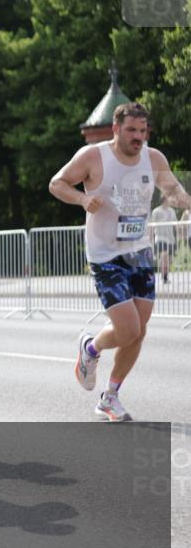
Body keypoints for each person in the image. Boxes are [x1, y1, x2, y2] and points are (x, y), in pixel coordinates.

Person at [49, 102, 191, 421]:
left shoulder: (153, 158)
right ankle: (91, 349)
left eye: (143, 131)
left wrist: (186, 202)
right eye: (131, 130)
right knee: (128, 329)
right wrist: (83, 198)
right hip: (104, 254)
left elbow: (173, 190)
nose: (138, 137)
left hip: (139, 252)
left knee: (139, 331)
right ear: (116, 129)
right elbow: (57, 183)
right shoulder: (93, 157)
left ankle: (110, 396)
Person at [149, 196, 177, 284]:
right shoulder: (156, 211)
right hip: (160, 237)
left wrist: (179, 235)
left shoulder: (172, 211)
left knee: (169, 259)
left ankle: (165, 275)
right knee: (164, 255)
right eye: (169, 199)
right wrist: (151, 239)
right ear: (164, 200)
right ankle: (164, 277)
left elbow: (175, 224)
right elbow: (152, 225)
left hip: (170, 238)